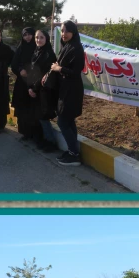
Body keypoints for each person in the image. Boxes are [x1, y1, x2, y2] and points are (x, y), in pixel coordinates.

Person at [52, 20, 86, 167]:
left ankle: (74, 154)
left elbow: (75, 71)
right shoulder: (67, 47)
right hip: (65, 88)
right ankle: (73, 151)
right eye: (63, 31)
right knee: (69, 120)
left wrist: (58, 69)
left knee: (62, 121)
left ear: (73, 32)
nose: (64, 34)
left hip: (72, 90)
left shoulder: (77, 48)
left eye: (67, 31)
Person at [26, 30, 59, 152]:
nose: (38, 40)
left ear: (46, 39)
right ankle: (43, 139)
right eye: (36, 37)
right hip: (35, 89)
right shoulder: (36, 52)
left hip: (44, 91)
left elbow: (46, 75)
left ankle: (51, 142)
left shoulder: (49, 54)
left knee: (43, 117)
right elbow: (32, 71)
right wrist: (29, 87)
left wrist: (34, 88)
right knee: (38, 116)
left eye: (41, 38)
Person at [9, 27, 39, 141]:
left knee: (32, 107)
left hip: (34, 81)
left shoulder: (37, 48)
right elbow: (14, 64)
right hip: (22, 83)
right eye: (25, 35)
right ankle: (25, 132)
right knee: (22, 107)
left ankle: (34, 133)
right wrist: (20, 70)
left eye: (30, 34)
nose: (27, 37)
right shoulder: (20, 48)